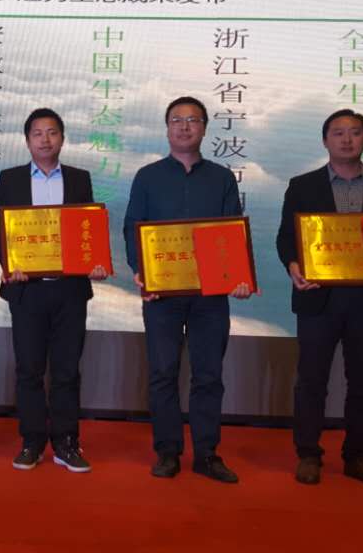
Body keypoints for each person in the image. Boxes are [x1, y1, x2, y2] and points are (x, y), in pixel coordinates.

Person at [275, 109, 363, 486]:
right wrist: (293, 266)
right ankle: (308, 454)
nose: (347, 139)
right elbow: (286, 237)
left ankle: (357, 456)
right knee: (311, 380)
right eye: (338, 133)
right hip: (318, 298)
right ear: (325, 141)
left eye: (355, 132)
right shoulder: (302, 185)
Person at [123, 96, 252, 483]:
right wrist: (141, 271)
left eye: (192, 120)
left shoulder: (222, 178)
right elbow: (133, 228)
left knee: (208, 375)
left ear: (204, 128)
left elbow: (232, 231)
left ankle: (207, 454)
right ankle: (167, 451)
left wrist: (239, 276)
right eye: (177, 120)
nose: (184, 127)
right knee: (163, 373)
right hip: (161, 294)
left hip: (210, 295)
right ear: (167, 129)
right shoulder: (147, 176)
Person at [0, 108, 106, 473]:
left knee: (67, 370)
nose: (45, 139)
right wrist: (10, 264)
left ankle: (66, 442)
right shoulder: (10, 179)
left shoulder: (79, 179)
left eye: (52, 132)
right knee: (28, 369)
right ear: (27, 140)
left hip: (70, 291)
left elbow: (87, 230)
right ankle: (31, 442)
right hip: (27, 291)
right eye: (38, 133)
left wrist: (95, 262)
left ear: (62, 138)